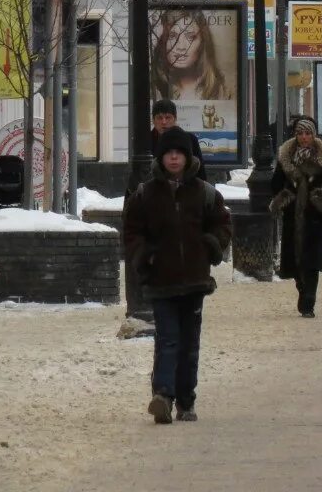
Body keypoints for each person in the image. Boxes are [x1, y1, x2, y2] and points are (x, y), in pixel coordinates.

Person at [122, 126, 231, 424]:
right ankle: (163, 396)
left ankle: (186, 400)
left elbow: (222, 225)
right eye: (168, 153)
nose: (173, 158)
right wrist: (145, 256)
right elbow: (131, 231)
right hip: (162, 280)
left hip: (195, 280)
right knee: (168, 339)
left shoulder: (205, 193)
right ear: (161, 157)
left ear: (188, 157)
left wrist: (211, 245)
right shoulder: (146, 194)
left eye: (179, 153)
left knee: (189, 344)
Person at [271, 117, 322, 317]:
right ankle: (302, 287)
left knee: (312, 261)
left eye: (308, 133)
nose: (304, 137)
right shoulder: (286, 157)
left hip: (316, 217)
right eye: (300, 133)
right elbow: (275, 183)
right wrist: (284, 196)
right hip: (293, 215)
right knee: (295, 260)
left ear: (314, 135)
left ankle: (308, 302)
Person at [150, 9, 232, 102]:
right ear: (163, 41)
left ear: (203, 43)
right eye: (172, 36)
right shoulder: (152, 88)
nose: (181, 46)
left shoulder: (222, 90)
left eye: (191, 37)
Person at [150, 99, 203, 168]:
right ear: (153, 120)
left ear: (175, 119)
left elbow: (200, 171)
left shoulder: (190, 139)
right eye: (159, 118)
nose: (164, 122)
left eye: (168, 117)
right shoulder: (145, 141)